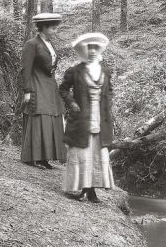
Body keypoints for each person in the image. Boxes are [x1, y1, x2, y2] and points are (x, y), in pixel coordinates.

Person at [59, 32, 115, 203]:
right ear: (84, 50)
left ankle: (92, 191)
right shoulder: (75, 71)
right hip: (82, 119)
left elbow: (110, 91)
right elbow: (63, 89)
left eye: (95, 48)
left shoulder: (105, 71)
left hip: (101, 118)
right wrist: (72, 104)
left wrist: (107, 105)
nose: (92, 51)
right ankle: (83, 189)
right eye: (89, 48)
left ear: (100, 50)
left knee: (97, 153)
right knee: (83, 153)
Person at [21, 13, 66, 168]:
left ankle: (44, 157)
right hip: (36, 84)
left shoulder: (49, 43)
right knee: (39, 117)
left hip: (49, 85)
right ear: (44, 27)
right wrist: (27, 90)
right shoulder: (32, 44)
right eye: (53, 28)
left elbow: (51, 66)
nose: (55, 31)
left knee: (51, 118)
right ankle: (33, 157)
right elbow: (25, 69)